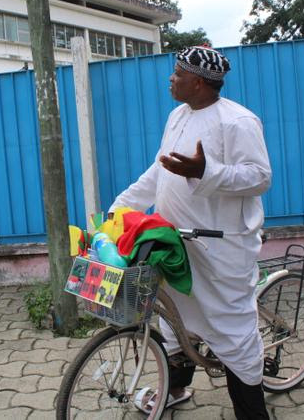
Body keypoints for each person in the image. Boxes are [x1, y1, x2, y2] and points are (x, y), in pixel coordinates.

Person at [109, 45, 272, 419]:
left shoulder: (238, 121)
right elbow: (160, 171)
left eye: (178, 73)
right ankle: (176, 388)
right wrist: (120, 207)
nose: (171, 78)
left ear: (198, 82)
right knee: (174, 320)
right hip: (177, 243)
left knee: (233, 335)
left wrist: (205, 171)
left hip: (220, 249)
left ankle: (252, 412)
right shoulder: (177, 116)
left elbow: (260, 176)